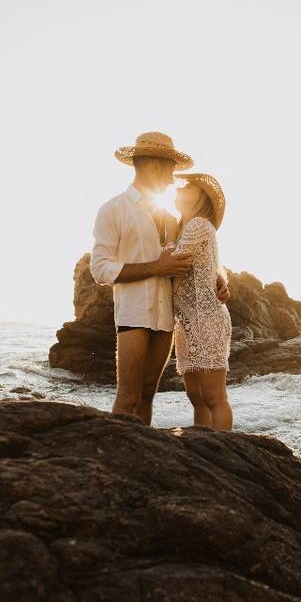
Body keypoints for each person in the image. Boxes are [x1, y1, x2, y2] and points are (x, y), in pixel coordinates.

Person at [89, 131, 229, 424]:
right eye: (170, 169)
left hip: (167, 318)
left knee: (149, 392)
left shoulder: (170, 217)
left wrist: (219, 277)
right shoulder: (113, 210)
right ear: (155, 164)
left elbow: (198, 256)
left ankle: (141, 459)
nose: (171, 178)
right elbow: (100, 269)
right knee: (128, 397)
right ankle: (116, 461)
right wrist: (156, 267)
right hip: (134, 315)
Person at [168, 173, 234, 431]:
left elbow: (175, 261)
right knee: (196, 399)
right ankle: (203, 448)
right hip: (186, 323)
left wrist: (170, 234)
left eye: (189, 186)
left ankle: (224, 454)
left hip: (207, 319)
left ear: (201, 197)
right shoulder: (186, 226)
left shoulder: (198, 225)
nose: (181, 188)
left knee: (214, 398)